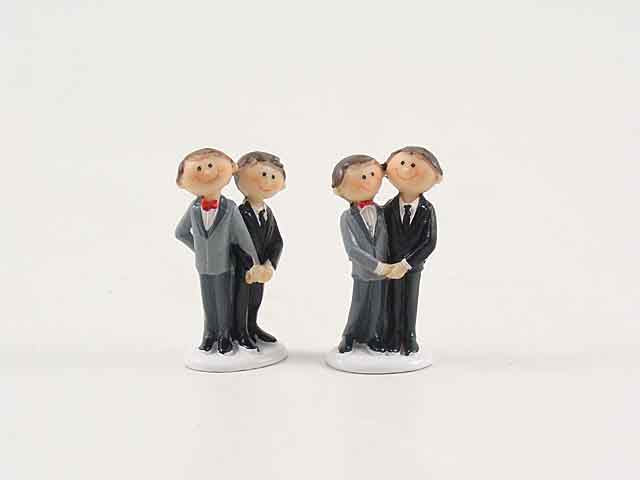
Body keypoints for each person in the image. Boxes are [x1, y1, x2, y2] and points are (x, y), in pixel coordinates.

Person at [175, 147, 265, 354]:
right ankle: (209, 334)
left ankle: (225, 335)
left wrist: (254, 262)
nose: (207, 172)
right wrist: (199, 250)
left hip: (224, 265)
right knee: (208, 302)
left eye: (210, 165)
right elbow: (180, 233)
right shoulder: (194, 209)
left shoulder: (230, 208)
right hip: (203, 266)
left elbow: (243, 237)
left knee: (224, 302)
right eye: (199, 168)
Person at [382, 146, 443, 354]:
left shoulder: (427, 210)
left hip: (412, 267)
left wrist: (407, 264)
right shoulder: (388, 208)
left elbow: (429, 242)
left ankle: (408, 337)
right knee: (391, 302)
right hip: (391, 267)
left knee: (409, 301)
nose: (407, 169)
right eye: (401, 163)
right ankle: (392, 337)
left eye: (414, 165)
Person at [331, 154, 392, 353]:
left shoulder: (384, 212)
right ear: (339, 190)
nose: (367, 182)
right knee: (358, 305)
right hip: (364, 271)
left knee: (378, 307)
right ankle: (349, 335)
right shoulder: (347, 218)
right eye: (360, 177)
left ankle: (373, 335)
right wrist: (377, 266)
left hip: (384, 273)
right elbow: (352, 249)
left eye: (372, 175)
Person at [232, 151, 286, 349]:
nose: (267, 182)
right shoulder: (239, 213)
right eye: (263, 175)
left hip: (261, 268)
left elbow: (277, 241)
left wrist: (269, 265)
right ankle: (240, 332)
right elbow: (234, 242)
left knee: (255, 299)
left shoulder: (267, 213)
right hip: (244, 269)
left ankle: (252, 326)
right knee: (241, 301)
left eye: (273, 176)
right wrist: (250, 266)